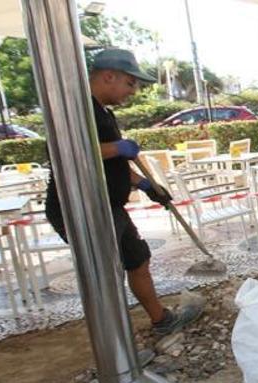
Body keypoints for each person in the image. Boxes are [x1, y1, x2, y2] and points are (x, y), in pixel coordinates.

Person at [44, 49, 203, 337]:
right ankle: (116, 347)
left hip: (109, 206)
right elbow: (66, 154)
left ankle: (161, 320)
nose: (133, 91)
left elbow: (113, 167)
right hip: (82, 210)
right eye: (130, 83)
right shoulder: (76, 109)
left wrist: (146, 185)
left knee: (137, 258)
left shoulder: (104, 112)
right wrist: (116, 148)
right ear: (108, 76)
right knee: (106, 276)